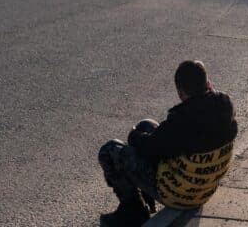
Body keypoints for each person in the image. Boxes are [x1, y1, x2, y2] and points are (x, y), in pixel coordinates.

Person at [98, 61, 238, 226]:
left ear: (180, 92)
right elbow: (162, 141)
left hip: (178, 195)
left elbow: (148, 148)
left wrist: (133, 134)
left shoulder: (181, 120)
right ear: (208, 84)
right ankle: (140, 203)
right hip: (204, 190)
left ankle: (133, 210)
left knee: (110, 151)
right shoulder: (225, 106)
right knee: (147, 125)